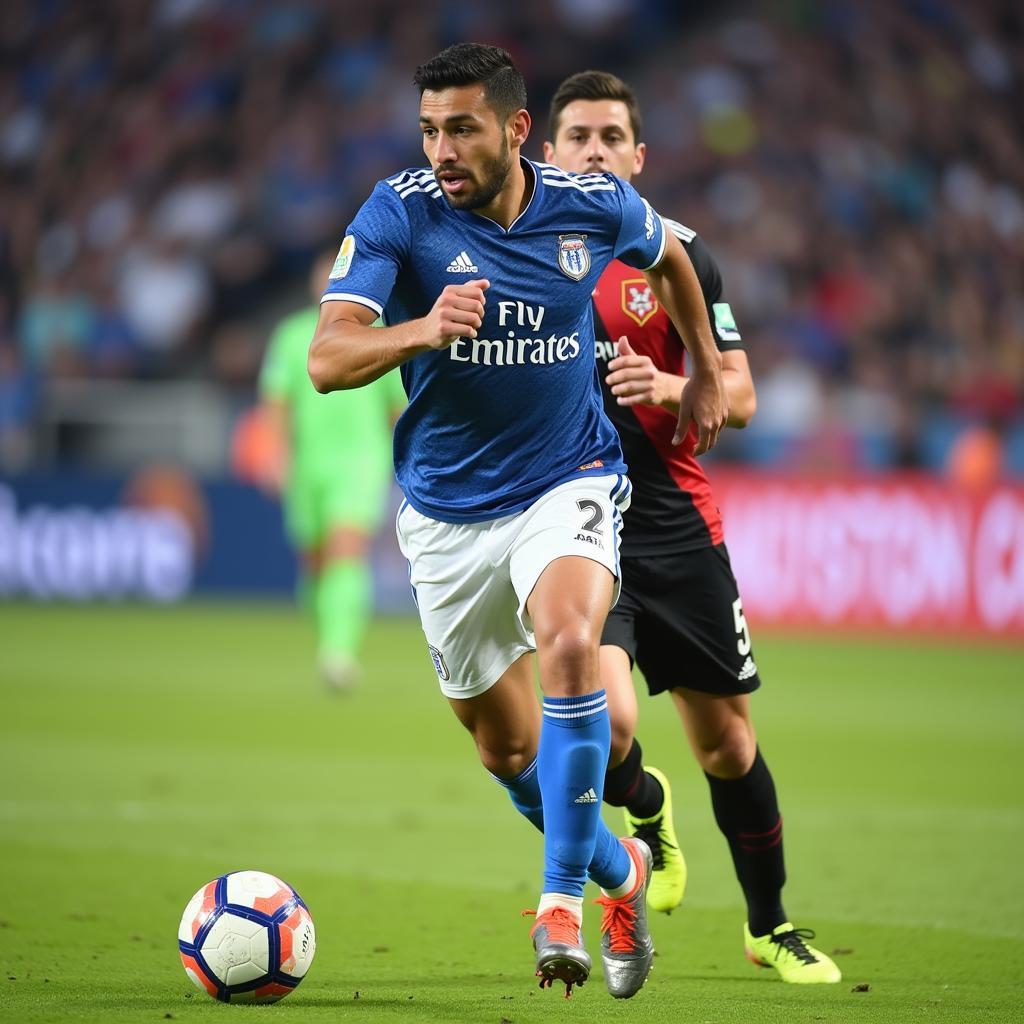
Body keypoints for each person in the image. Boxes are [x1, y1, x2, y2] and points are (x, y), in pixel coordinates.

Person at [307, 43, 728, 998]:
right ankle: (616, 875)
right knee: (503, 749)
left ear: (515, 129)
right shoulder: (398, 214)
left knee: (573, 643)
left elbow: (671, 256)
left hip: (566, 478)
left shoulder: (591, 204)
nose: (442, 149)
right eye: (429, 129)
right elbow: (327, 360)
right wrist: (422, 328)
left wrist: (702, 363)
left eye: (461, 128)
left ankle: (557, 909)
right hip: (446, 511)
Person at [544, 69, 841, 984]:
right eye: (576, 137)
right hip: (578, 524)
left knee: (728, 743)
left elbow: (740, 396)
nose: (593, 151)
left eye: (609, 138)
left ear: (639, 156)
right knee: (612, 723)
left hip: (676, 525)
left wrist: (673, 386)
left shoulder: (677, 257)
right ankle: (645, 809)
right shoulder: (516, 256)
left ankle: (769, 925)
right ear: (546, 154)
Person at [258, 250, 404, 690]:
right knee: (315, 562)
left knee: (346, 549)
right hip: (307, 465)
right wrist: (274, 453)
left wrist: (407, 458)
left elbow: (395, 407)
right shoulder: (290, 336)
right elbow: (276, 402)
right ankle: (329, 636)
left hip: (360, 461)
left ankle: (338, 654)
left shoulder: (376, 336)